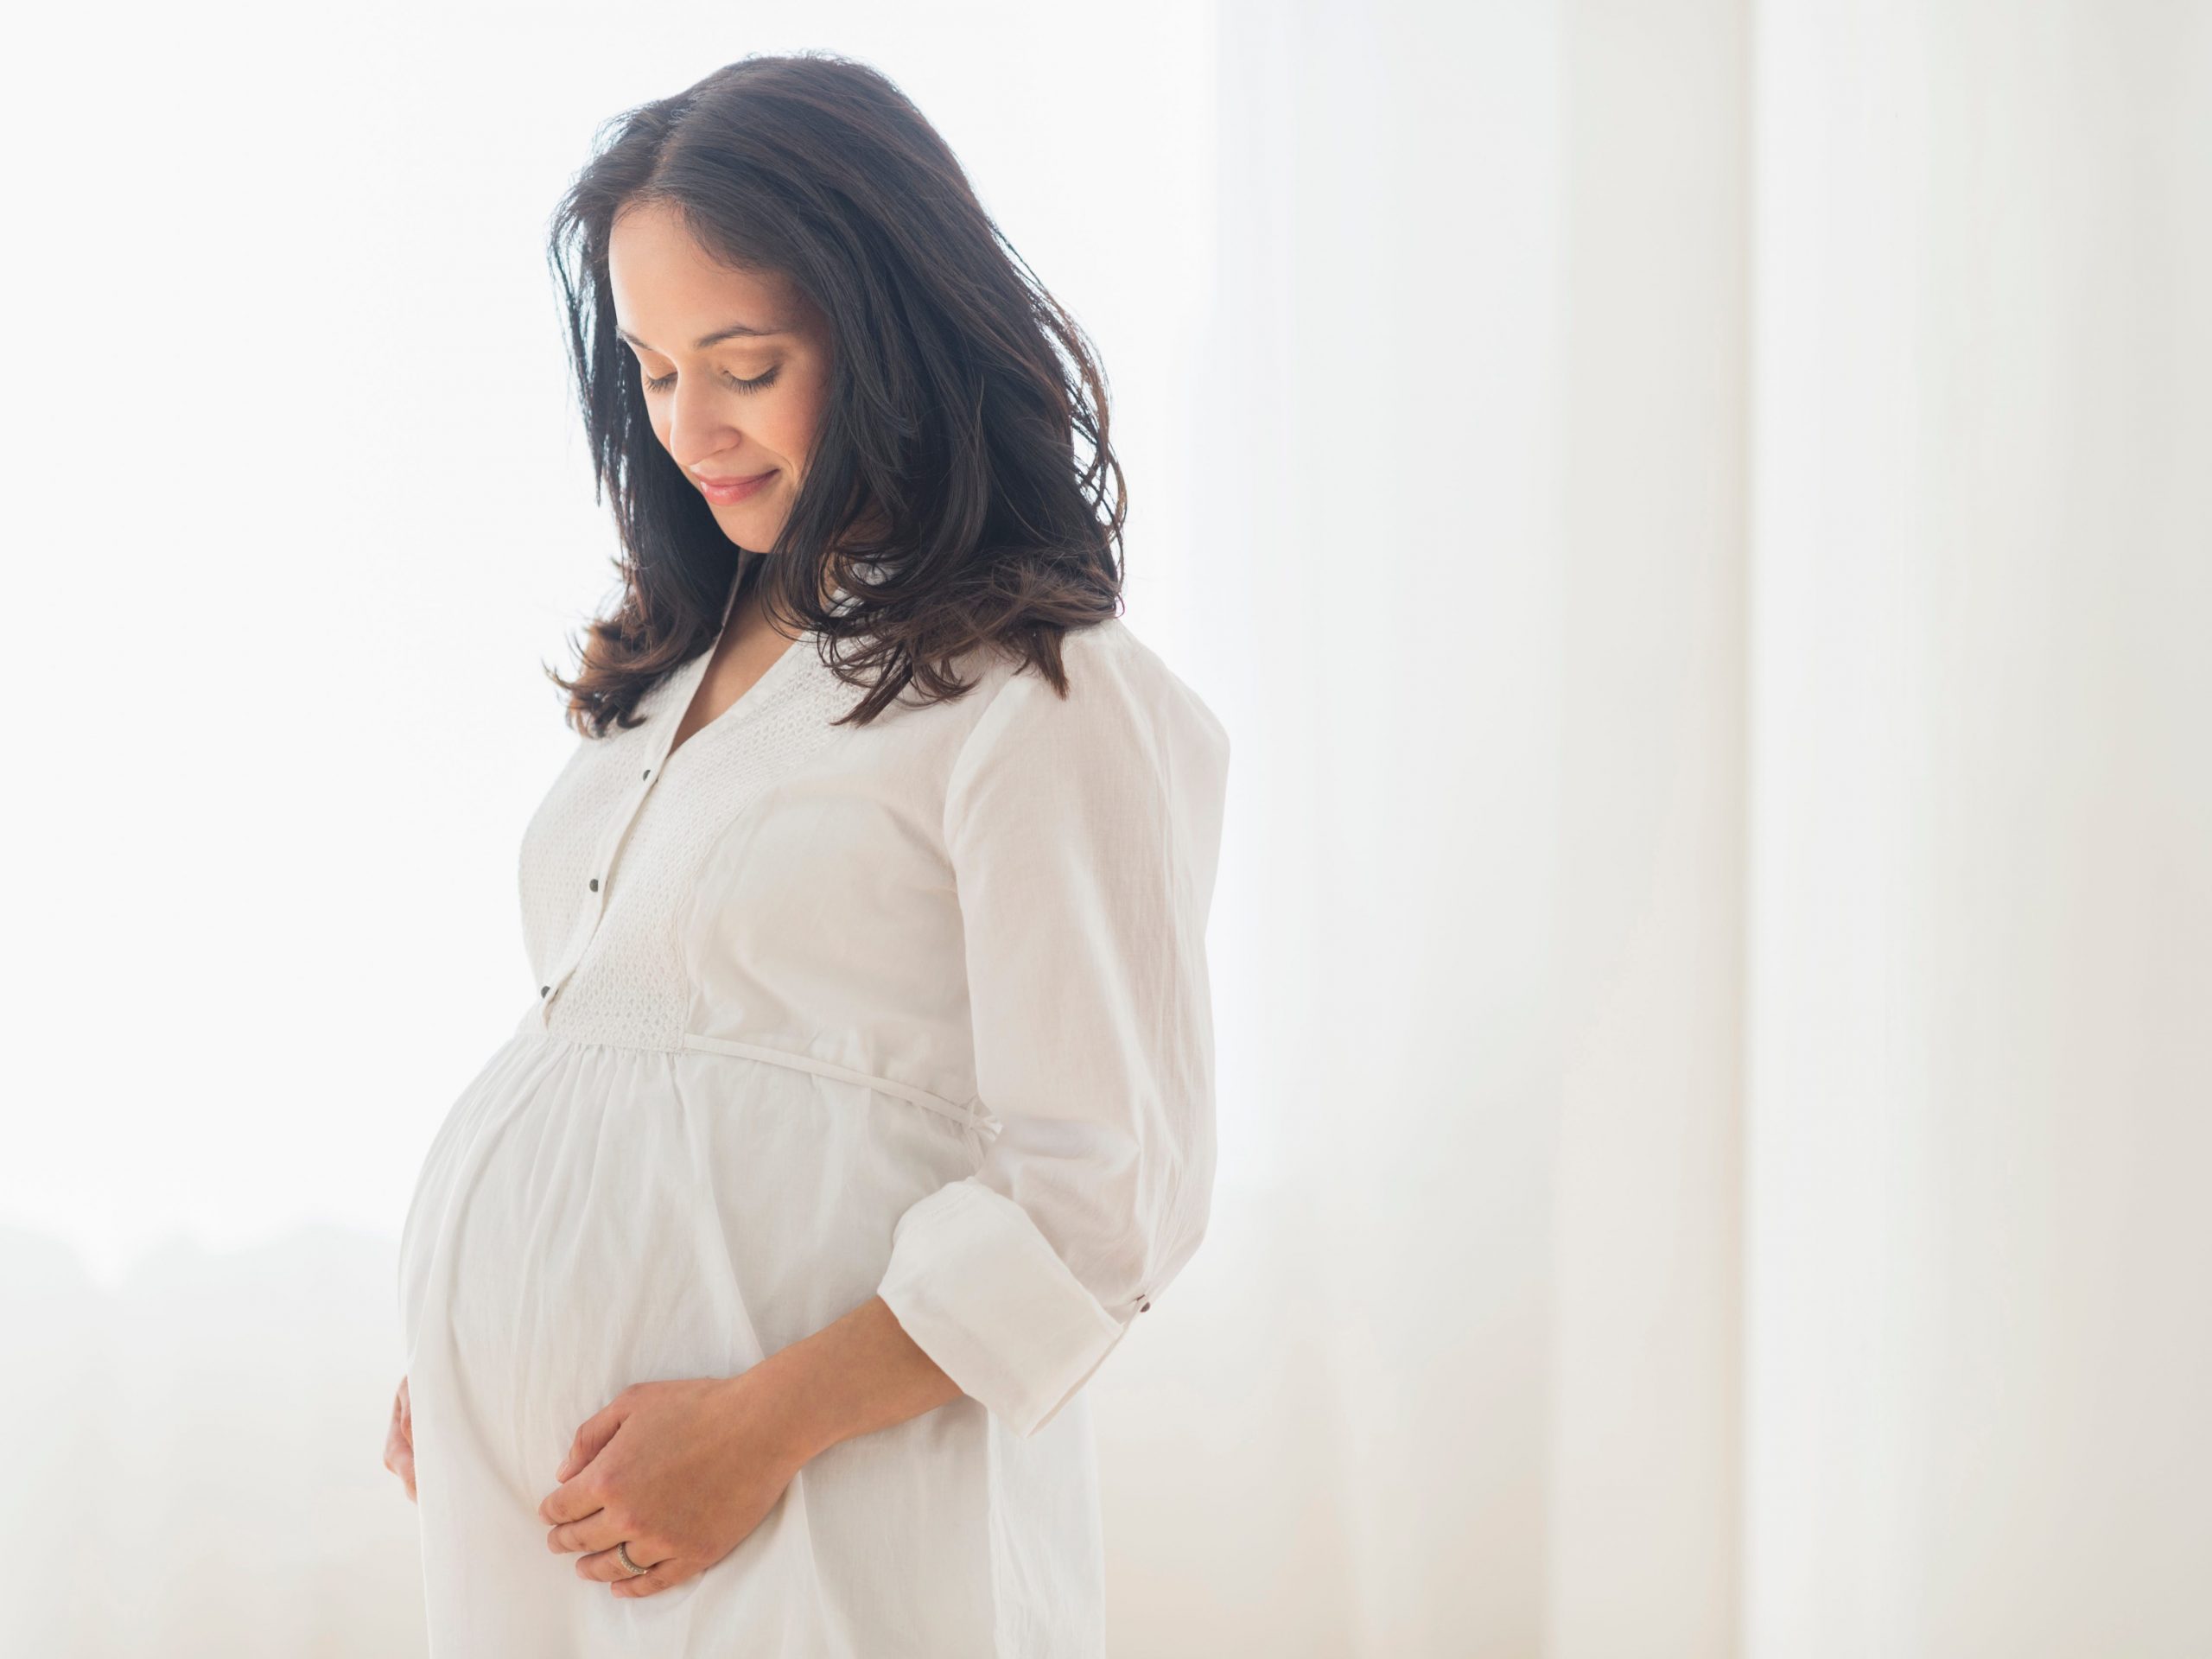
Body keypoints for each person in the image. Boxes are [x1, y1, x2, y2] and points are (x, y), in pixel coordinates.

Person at [381, 49, 1232, 1658]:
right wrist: (474, 1331)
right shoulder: (689, 656)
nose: (689, 424)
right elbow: (630, 1065)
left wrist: (760, 1427)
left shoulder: (1045, 696)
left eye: (745, 362)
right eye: (648, 370)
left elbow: (1106, 1197)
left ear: (889, 336)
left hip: (819, 1506)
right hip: (575, 1521)